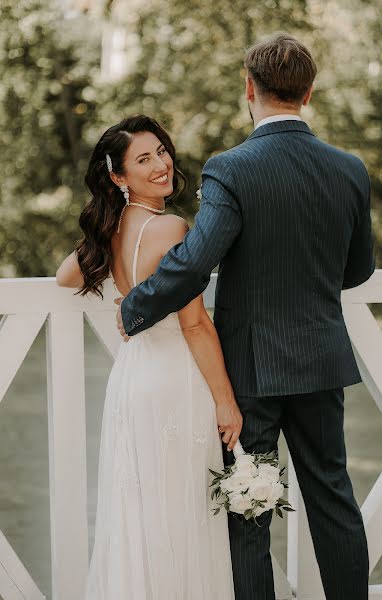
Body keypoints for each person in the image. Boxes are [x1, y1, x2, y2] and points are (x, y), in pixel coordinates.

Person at [115, 33, 375, 600]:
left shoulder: (230, 168)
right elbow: (357, 271)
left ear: (248, 86)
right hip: (323, 361)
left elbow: (192, 264)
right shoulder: (349, 168)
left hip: (251, 370)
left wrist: (135, 306)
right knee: (334, 500)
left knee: (249, 510)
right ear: (308, 92)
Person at [56, 114, 241, 599]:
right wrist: (226, 401)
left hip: (133, 379)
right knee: (181, 513)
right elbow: (195, 324)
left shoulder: (112, 226)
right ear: (119, 176)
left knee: (137, 512)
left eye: (161, 151)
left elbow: (65, 277)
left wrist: (107, 236)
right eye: (143, 159)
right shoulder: (171, 227)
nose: (161, 164)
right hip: (177, 381)